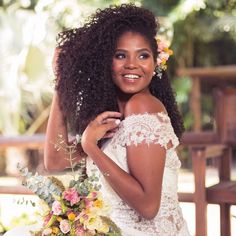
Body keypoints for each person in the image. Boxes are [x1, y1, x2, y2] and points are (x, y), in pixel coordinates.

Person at [5, 4, 190, 236]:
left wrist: (91, 147)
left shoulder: (143, 106)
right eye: (120, 55)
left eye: (143, 55)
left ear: (155, 63)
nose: (132, 64)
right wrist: (62, 84)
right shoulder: (111, 116)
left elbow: (147, 206)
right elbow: (55, 160)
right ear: (105, 62)